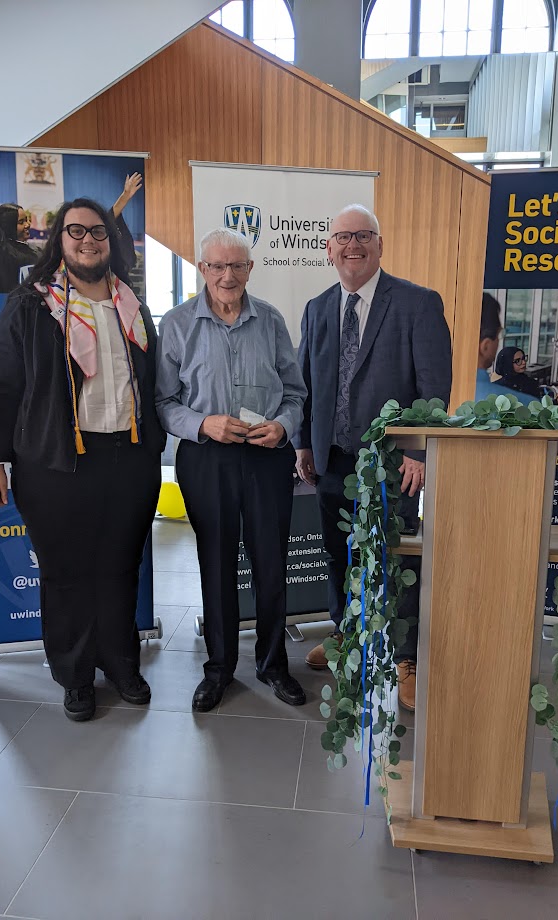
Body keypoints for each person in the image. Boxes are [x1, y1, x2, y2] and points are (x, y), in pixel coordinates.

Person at [0, 197, 165, 722]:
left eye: (98, 231)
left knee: (120, 567)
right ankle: (76, 676)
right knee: (66, 573)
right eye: (76, 231)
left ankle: (121, 663)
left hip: (129, 459)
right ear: (59, 240)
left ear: (112, 240)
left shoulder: (132, 304)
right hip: (57, 464)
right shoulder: (31, 303)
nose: (88, 241)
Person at [294, 204, 452, 712]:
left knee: (396, 559)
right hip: (332, 460)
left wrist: (419, 451)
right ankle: (345, 632)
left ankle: (406, 657)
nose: (353, 246)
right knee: (338, 554)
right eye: (343, 237)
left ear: (380, 244)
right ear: (328, 249)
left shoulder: (417, 303)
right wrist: (303, 443)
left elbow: (434, 388)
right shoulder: (317, 308)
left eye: (363, 236)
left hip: (392, 466)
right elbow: (306, 384)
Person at [155, 227, 307, 713]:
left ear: (250, 269)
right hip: (207, 457)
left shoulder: (271, 320)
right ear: (202, 269)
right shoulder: (177, 324)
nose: (227, 275)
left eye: (237, 265)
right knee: (216, 564)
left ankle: (273, 664)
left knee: (271, 564)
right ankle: (219, 668)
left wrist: (283, 426)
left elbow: (295, 392)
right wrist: (204, 424)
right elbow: (163, 402)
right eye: (217, 266)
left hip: (267, 456)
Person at [0, 159, 142, 293]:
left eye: (27, 219)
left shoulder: (36, 250)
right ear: (7, 225)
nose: (28, 224)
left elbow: (99, 226)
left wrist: (124, 198)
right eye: (21, 222)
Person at [476, 294, 536, 406]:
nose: (523, 363)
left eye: (523, 359)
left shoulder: (443, 395)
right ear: (486, 346)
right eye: (500, 334)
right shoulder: (526, 405)